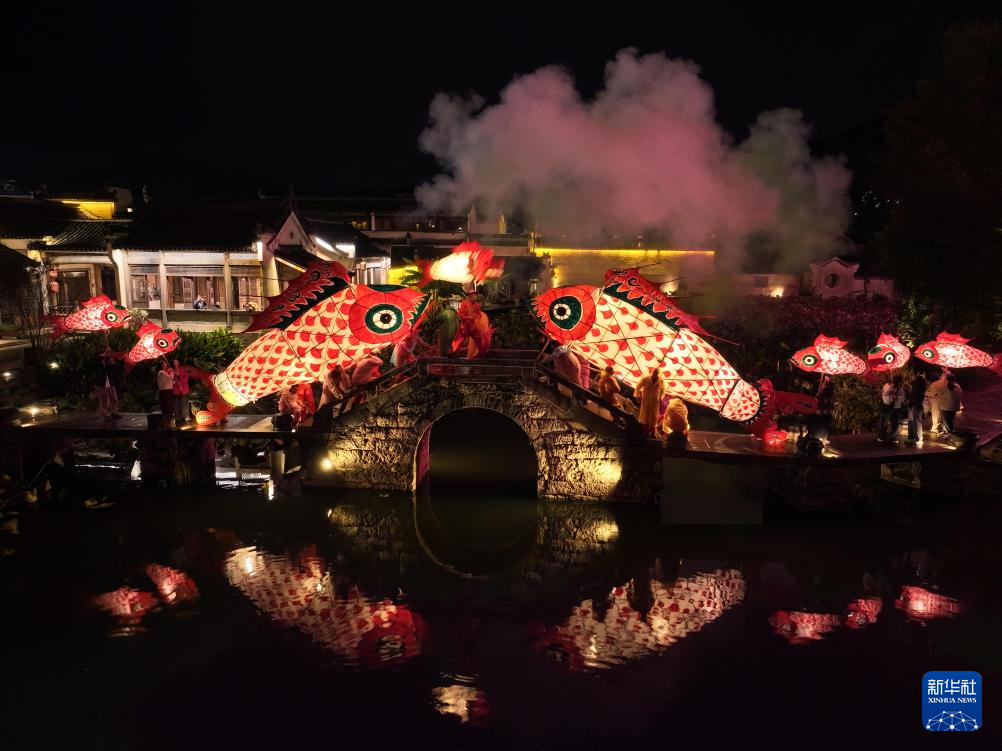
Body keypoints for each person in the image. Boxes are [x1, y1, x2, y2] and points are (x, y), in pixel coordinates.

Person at [93, 350, 124, 422]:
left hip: (110, 381)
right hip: (101, 382)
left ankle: (114, 412)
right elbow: (97, 358)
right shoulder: (97, 360)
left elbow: (116, 368)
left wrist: (114, 360)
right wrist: (105, 354)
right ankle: (105, 414)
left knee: (114, 398)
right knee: (104, 399)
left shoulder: (109, 361)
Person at [635, 365, 665, 437]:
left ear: (659, 374)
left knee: (653, 417)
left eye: (657, 374)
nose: (655, 375)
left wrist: (661, 398)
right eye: (654, 373)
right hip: (646, 400)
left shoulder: (661, 381)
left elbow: (663, 391)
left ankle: (652, 432)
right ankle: (644, 431)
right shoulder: (646, 378)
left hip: (655, 402)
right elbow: (638, 386)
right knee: (644, 415)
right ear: (652, 373)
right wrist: (638, 395)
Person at [878, 375, 906, 443]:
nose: (900, 383)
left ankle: (894, 438)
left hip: (896, 407)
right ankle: (881, 437)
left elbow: (903, 398)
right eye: (900, 381)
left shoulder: (900, 388)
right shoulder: (887, 385)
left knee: (895, 423)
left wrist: (897, 397)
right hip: (887, 406)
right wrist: (890, 389)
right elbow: (884, 394)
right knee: (884, 422)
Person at [172, 358, 197, 424]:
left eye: (176, 362)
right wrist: (175, 380)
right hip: (176, 389)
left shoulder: (183, 369)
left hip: (184, 388)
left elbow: (186, 378)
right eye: (174, 362)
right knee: (176, 404)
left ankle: (186, 416)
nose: (175, 363)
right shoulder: (172, 370)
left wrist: (181, 382)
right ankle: (177, 417)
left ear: (178, 362)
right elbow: (171, 379)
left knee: (185, 403)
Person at [904, 374, 927, 446]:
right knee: (915, 422)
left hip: (914, 407)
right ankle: (914, 437)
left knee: (915, 422)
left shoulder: (915, 389)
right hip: (918, 407)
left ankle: (916, 438)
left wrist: (908, 403)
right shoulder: (922, 389)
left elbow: (912, 398)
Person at [926, 371, 949, 436]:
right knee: (942, 414)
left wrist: (928, 394)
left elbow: (931, 393)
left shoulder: (934, 384)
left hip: (935, 401)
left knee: (935, 414)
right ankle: (943, 427)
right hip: (945, 401)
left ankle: (935, 427)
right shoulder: (947, 383)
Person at [157, 360, 175, 426]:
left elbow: (168, 381)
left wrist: (172, 382)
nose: (166, 365)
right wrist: (172, 371)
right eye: (164, 364)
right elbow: (170, 378)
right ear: (162, 365)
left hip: (167, 391)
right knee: (167, 407)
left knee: (168, 407)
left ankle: (168, 423)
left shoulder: (163, 372)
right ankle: (167, 424)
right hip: (166, 392)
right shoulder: (161, 372)